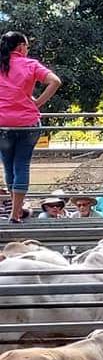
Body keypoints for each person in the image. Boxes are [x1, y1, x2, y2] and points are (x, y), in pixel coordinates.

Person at [0, 31, 61, 223]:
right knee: (22, 165)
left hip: (2, 125)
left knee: (9, 167)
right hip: (27, 124)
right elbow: (55, 81)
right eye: (26, 46)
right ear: (20, 47)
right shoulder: (30, 64)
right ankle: (15, 213)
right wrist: (37, 103)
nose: (27, 50)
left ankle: (15, 210)